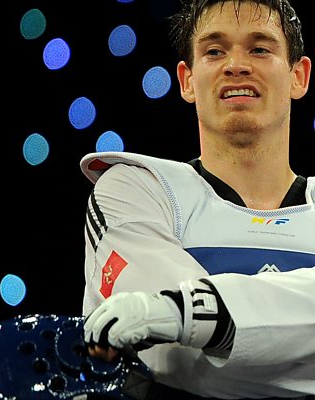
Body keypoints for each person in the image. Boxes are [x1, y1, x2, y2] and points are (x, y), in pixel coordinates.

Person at [79, 0, 315, 398]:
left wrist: (188, 315)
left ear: (299, 76)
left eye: (259, 48)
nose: (236, 65)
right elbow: (172, 356)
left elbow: (171, 325)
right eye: (215, 51)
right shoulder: (137, 189)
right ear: (187, 80)